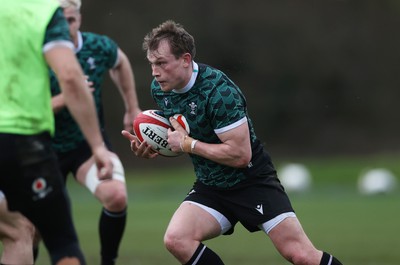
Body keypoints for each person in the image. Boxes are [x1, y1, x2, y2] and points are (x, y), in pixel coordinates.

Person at [122, 20, 344, 265]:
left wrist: (188, 145)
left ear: (185, 59)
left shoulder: (219, 93)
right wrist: (153, 147)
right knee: (177, 239)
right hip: (211, 186)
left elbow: (240, 155)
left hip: (250, 181)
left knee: (301, 256)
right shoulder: (161, 89)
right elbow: (177, 132)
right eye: (152, 63)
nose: (154, 72)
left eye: (161, 63)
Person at [0, 1, 114, 265]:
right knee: (60, 241)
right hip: (22, 141)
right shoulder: (45, 12)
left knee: (19, 231)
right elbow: (71, 77)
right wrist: (97, 145)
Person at [33, 0, 141, 264]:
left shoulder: (97, 46)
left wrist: (132, 107)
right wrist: (69, 95)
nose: (65, 27)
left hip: (86, 146)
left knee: (116, 196)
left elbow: (121, 62)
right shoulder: (37, 52)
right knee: (30, 227)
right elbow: (29, 110)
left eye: (70, 20)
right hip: (42, 149)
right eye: (58, 21)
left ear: (79, 18)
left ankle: (108, 261)